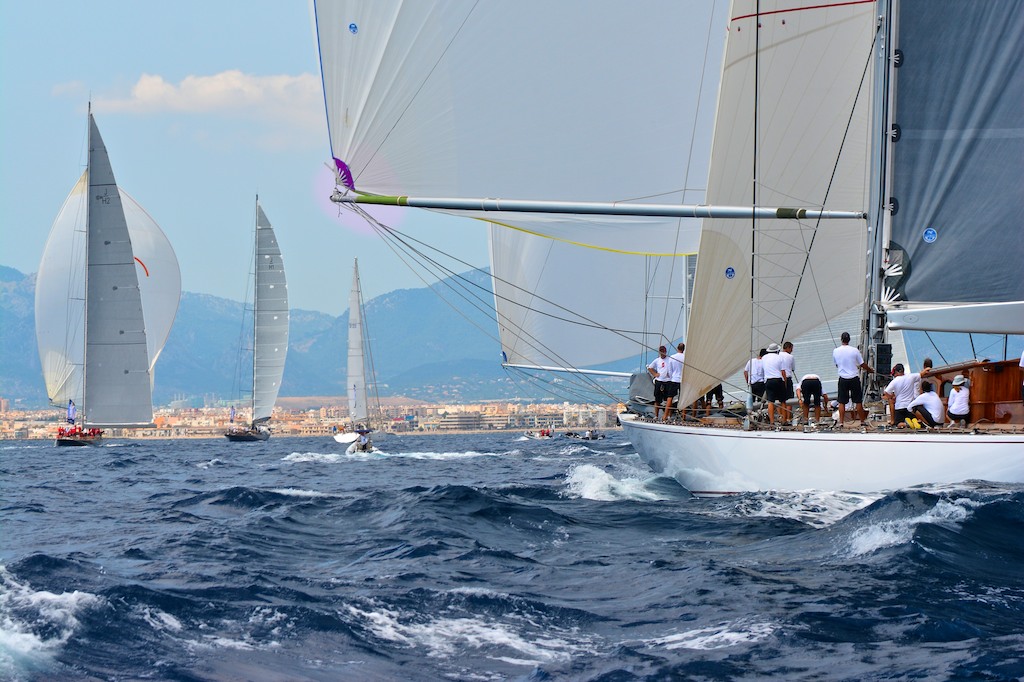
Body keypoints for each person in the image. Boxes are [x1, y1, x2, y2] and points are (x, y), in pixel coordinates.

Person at [833, 331, 874, 424]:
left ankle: (841, 422)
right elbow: (862, 364)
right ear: (849, 340)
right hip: (854, 378)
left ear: (841, 339)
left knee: (842, 402)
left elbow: (836, 364)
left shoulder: (836, 351)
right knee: (858, 401)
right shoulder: (855, 350)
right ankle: (863, 421)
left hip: (843, 378)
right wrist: (870, 370)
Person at [647, 346, 678, 422]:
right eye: (661, 351)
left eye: (663, 351)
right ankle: (656, 416)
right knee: (657, 400)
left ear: (665, 351)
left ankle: (669, 416)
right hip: (659, 381)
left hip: (668, 381)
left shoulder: (670, 359)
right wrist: (655, 374)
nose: (662, 352)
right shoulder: (657, 360)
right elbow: (650, 367)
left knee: (669, 400)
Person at [884, 363, 921, 428]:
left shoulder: (895, 380)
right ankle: (914, 421)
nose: (894, 376)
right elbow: (922, 374)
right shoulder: (911, 376)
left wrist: (891, 397)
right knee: (911, 418)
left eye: (894, 374)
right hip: (910, 407)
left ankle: (906, 424)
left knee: (897, 423)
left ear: (897, 372)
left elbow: (886, 392)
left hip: (899, 407)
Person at [761, 343, 786, 425]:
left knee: (770, 401)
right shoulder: (780, 357)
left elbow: (763, 369)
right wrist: (785, 382)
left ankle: (772, 421)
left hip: (768, 380)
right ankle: (784, 420)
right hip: (778, 379)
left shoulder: (764, 358)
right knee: (782, 401)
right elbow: (783, 371)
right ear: (777, 350)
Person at [779, 341, 796, 423]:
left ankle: (781, 417)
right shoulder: (790, 357)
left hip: (779, 379)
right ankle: (788, 418)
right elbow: (793, 368)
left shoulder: (778, 355)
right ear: (788, 348)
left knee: (780, 399)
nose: (792, 350)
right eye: (791, 348)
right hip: (788, 378)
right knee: (789, 399)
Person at [669, 342, 685, 419]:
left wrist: (671, 377)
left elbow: (670, 370)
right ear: (684, 349)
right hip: (683, 380)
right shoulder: (686, 357)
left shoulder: (672, 357)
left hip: (674, 379)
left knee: (670, 397)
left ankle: (666, 416)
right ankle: (684, 416)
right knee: (683, 398)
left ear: (677, 348)